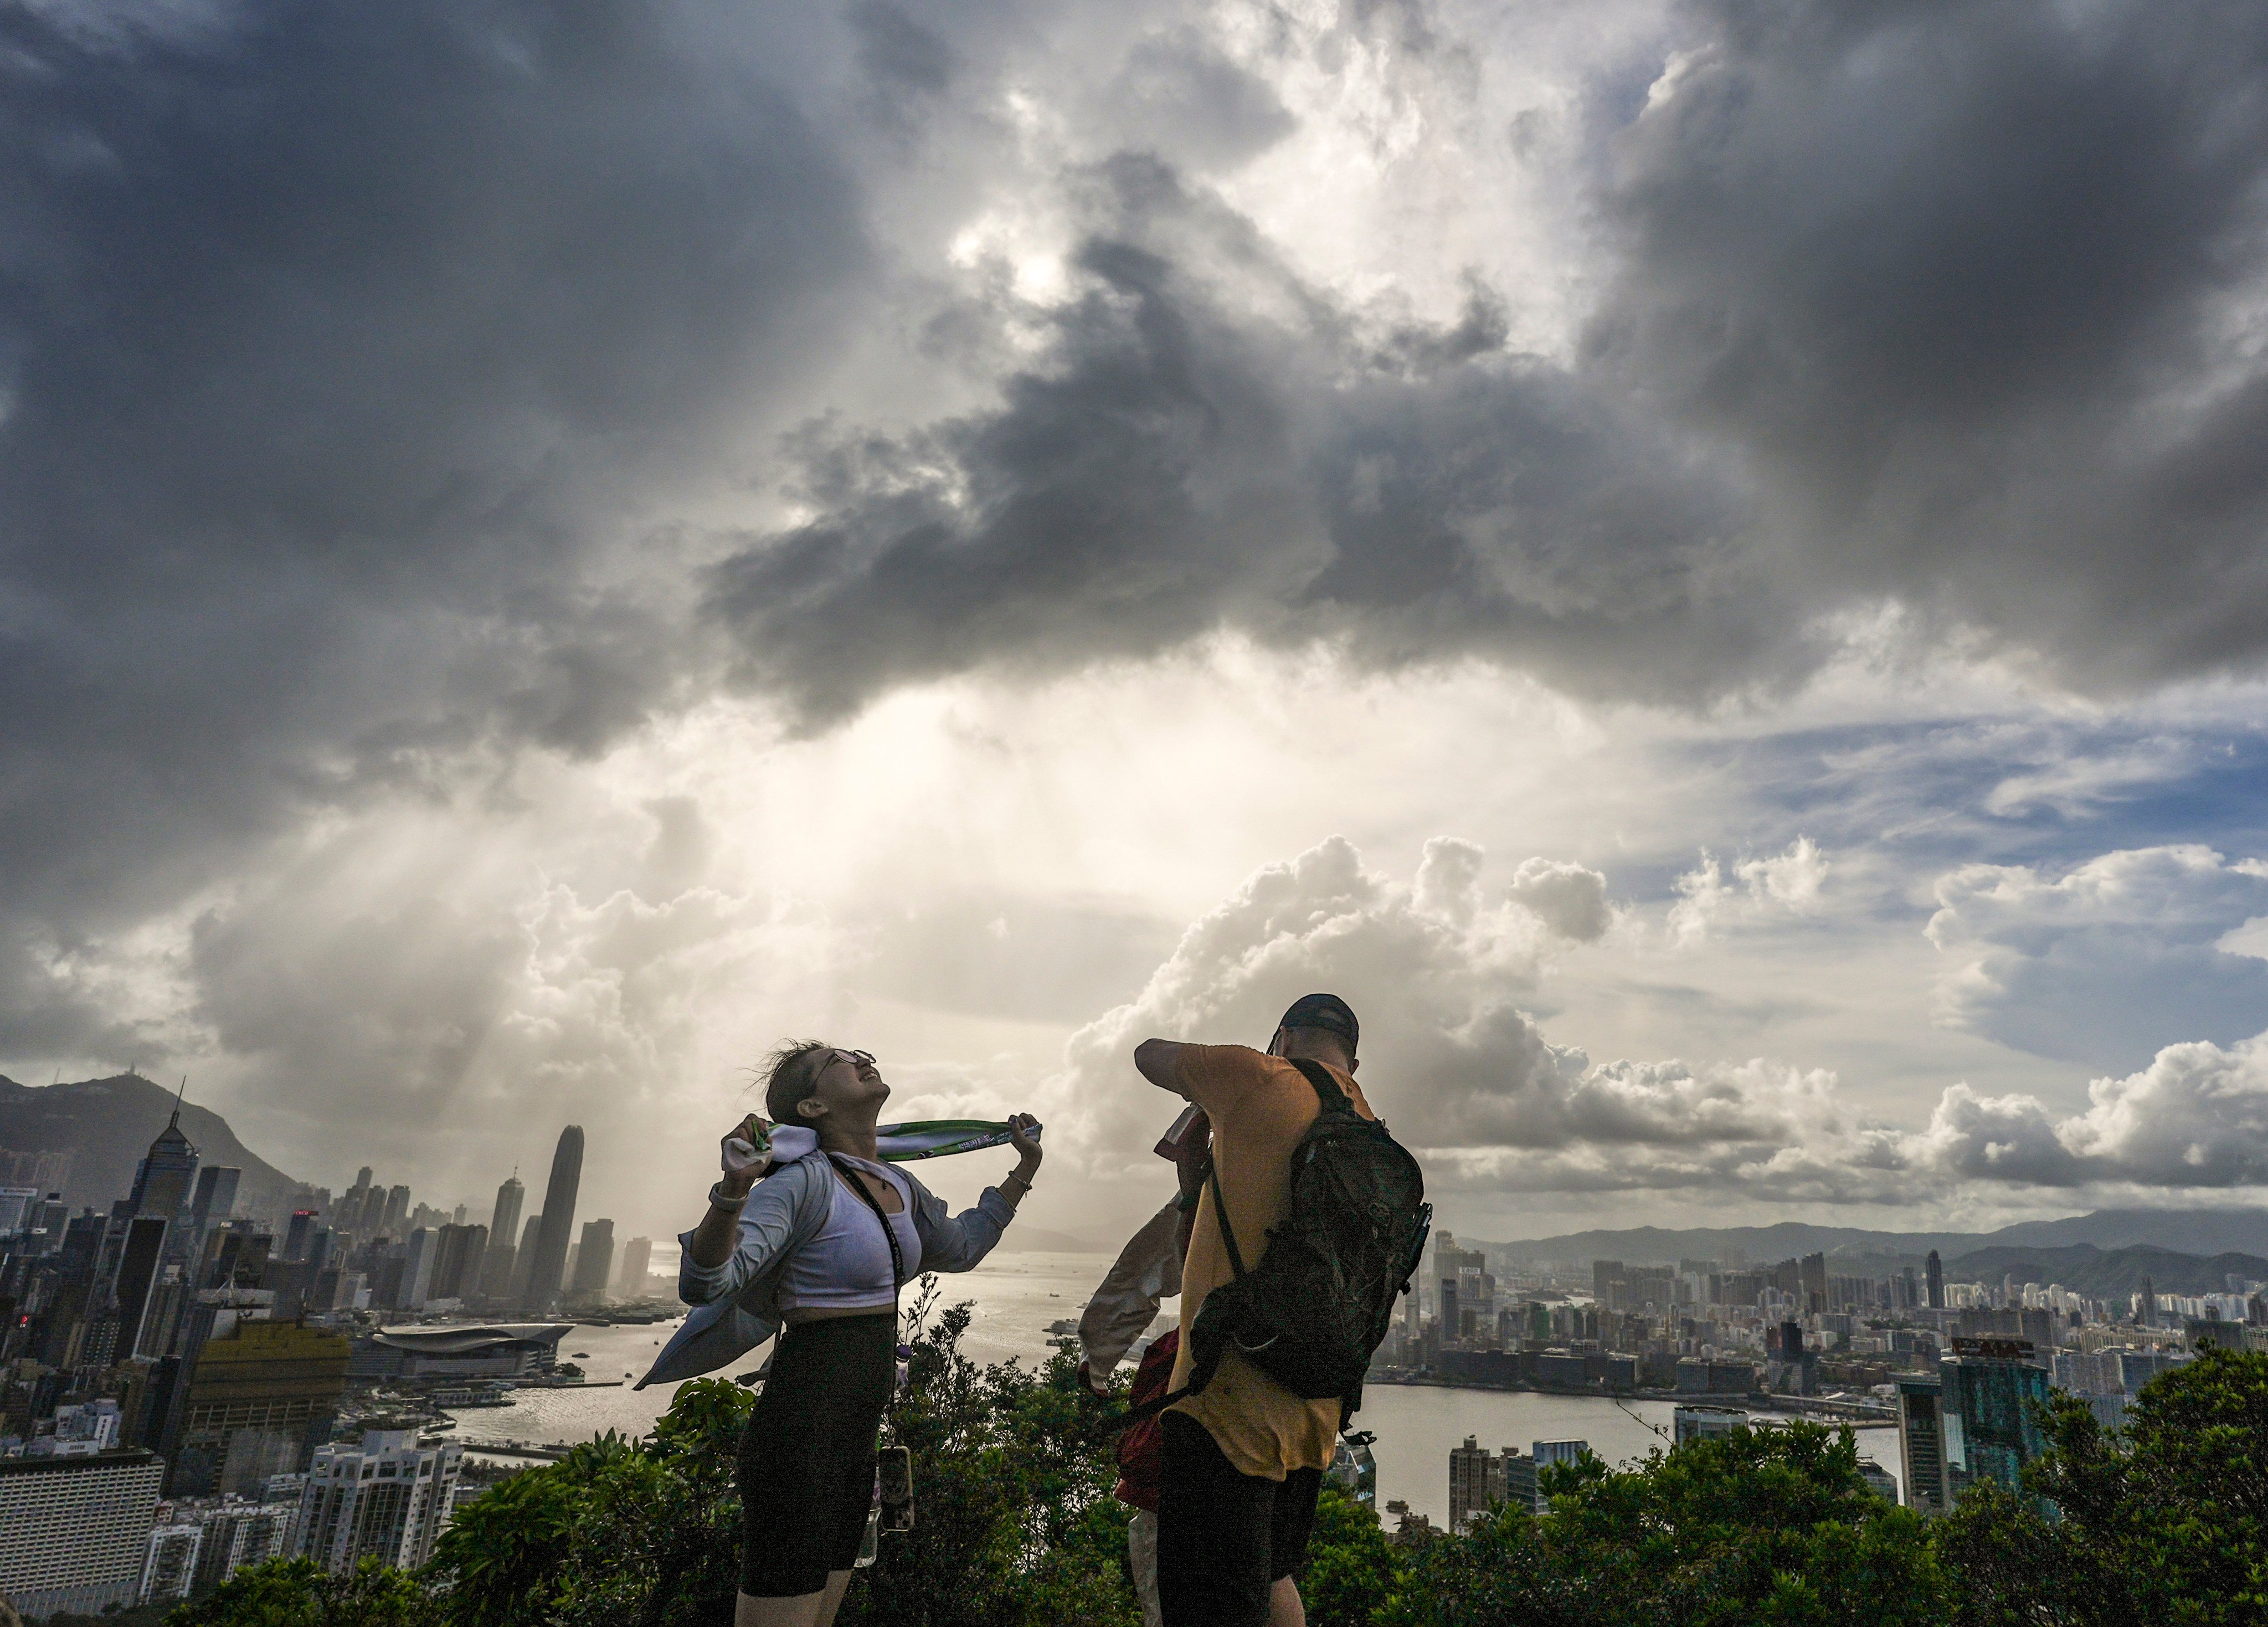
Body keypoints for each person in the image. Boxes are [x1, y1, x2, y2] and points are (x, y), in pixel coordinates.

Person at [680, 1041, 1043, 1627]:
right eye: (839, 1061)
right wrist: (732, 1193)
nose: (861, 1058)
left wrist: (1023, 1169)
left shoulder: (896, 1185)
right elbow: (707, 1283)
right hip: (801, 1433)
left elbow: (966, 1244)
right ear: (813, 1105)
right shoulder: (799, 1183)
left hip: (855, 1442)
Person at [1134, 993, 1375, 1627]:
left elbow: (1147, 1055)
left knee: (1206, 1605)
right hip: (1314, 1411)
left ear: (1284, 1037)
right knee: (1272, 1577)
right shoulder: (1367, 1123)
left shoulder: (1257, 1077)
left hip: (1225, 1407)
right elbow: (1213, 1256)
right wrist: (1195, 1187)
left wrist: (1238, 1076)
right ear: (1354, 1057)